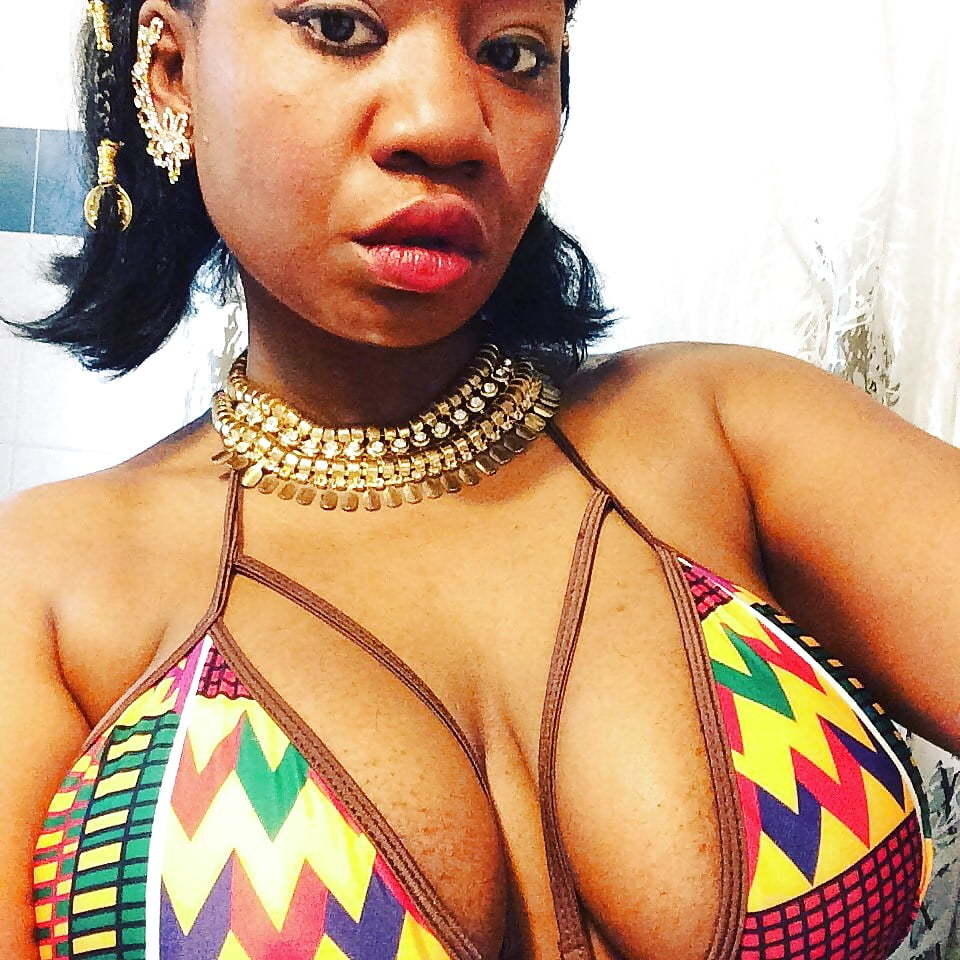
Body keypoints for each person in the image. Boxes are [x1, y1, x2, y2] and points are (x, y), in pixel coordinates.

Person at [1, 0, 958, 957]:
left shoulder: (727, 435)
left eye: (513, 52)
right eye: (339, 28)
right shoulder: (46, 591)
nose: (449, 125)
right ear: (171, 72)